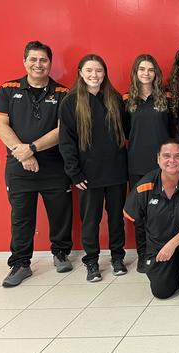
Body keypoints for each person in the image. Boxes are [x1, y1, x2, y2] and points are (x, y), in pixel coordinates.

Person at [0, 40, 73, 287]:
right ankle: (20, 264)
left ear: (50, 63)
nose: (38, 64)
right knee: (21, 217)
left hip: (54, 165)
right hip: (19, 166)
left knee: (60, 213)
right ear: (25, 61)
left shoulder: (63, 93)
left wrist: (33, 148)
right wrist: (24, 155)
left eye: (43, 60)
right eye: (33, 59)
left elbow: (63, 130)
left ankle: (60, 253)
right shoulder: (8, 89)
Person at [59, 54, 129, 282]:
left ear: (104, 73)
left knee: (116, 218)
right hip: (87, 175)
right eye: (89, 70)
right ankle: (91, 262)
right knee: (91, 220)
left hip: (116, 171)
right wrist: (74, 172)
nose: (94, 75)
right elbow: (66, 140)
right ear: (80, 73)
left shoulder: (115, 99)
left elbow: (127, 132)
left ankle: (117, 257)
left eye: (98, 70)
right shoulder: (70, 102)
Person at [123, 140, 179, 305]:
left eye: (178, 156)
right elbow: (134, 218)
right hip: (159, 245)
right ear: (158, 159)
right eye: (166, 156)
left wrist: (173, 243)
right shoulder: (144, 186)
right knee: (161, 292)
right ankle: (178, 266)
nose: (172, 160)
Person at [124, 54, 174, 273]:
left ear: (156, 73)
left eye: (150, 69)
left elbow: (174, 129)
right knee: (142, 212)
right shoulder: (126, 100)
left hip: (165, 164)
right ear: (135, 73)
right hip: (136, 163)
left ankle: (168, 252)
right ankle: (144, 253)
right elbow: (125, 132)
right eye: (142, 69)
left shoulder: (167, 98)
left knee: (167, 208)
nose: (146, 73)